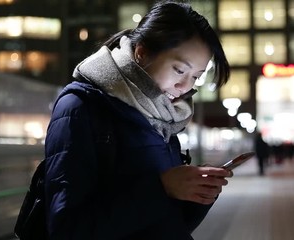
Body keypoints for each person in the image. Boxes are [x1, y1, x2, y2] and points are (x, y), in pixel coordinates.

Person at [43, 1, 232, 239]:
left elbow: (168, 222)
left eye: (196, 76)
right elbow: (67, 228)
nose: (185, 87)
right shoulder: (81, 107)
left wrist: (199, 194)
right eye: (179, 70)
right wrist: (162, 187)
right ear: (142, 53)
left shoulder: (165, 115)